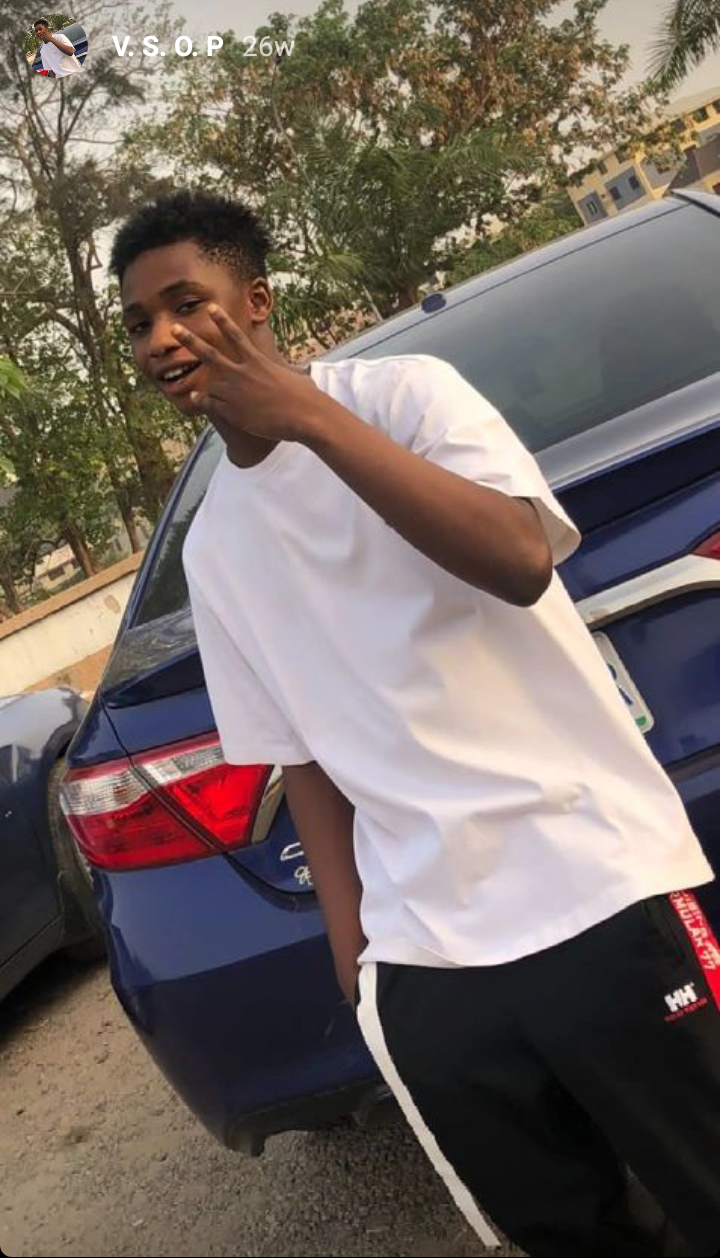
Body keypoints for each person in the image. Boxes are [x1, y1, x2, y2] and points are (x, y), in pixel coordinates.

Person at [110, 190, 720, 1258]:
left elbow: (519, 558)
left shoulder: (404, 398)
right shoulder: (215, 549)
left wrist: (305, 418)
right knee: (568, 1234)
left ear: (256, 302)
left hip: (594, 881)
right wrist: (359, 965)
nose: (162, 337)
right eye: (139, 322)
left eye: (186, 304)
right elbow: (300, 758)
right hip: (427, 960)